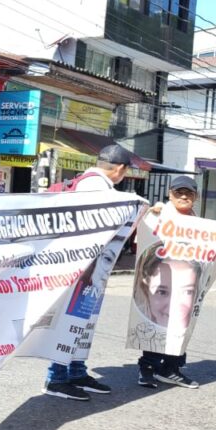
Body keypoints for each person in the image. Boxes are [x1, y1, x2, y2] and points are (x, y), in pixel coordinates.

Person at [135, 175, 216, 390]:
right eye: (179, 192)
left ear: (195, 196)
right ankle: (148, 368)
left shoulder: (195, 220)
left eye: (188, 193)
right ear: (170, 194)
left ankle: (170, 368)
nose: (183, 196)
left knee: (182, 324)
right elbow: (142, 239)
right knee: (156, 323)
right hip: (162, 282)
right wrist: (151, 213)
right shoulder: (161, 213)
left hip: (186, 283)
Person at [42, 143, 132, 401]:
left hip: (89, 272)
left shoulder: (90, 183)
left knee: (83, 326)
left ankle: (76, 372)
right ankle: (57, 378)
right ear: (121, 169)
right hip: (82, 272)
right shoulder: (96, 188)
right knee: (72, 324)